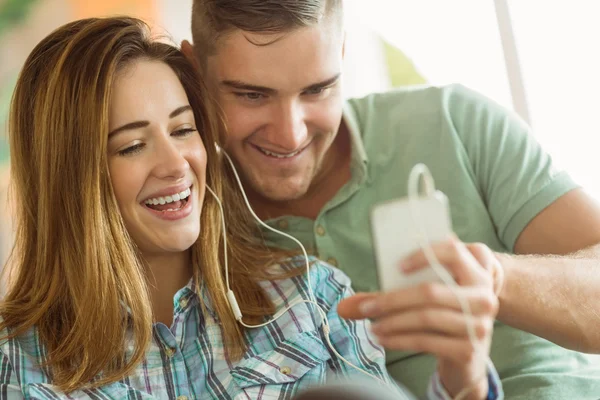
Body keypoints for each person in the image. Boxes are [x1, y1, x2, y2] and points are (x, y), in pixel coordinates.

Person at [0, 16, 500, 400]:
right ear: (69, 178)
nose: (177, 164)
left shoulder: (314, 302)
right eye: (131, 145)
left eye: (182, 129)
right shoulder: (14, 362)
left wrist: (464, 383)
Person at [185, 0, 600, 399]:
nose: (290, 134)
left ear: (342, 53)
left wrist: (493, 280)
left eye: (318, 89)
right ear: (194, 72)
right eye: (252, 95)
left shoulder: (452, 121)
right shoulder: (186, 223)